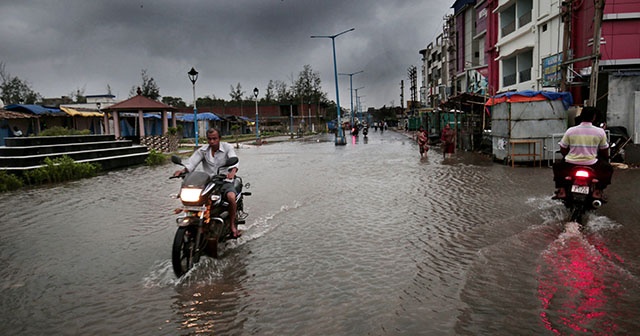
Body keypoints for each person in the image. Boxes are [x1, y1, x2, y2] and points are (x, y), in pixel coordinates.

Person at [174, 128, 242, 238]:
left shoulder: (227, 148)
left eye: (214, 139)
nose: (212, 141)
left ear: (219, 138)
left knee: (231, 197)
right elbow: (191, 164)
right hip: (208, 182)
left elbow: (234, 161)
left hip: (224, 181)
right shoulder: (203, 151)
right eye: (209, 139)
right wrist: (182, 171)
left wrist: (232, 172)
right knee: (195, 199)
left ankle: (232, 226)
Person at [552, 106, 613, 199]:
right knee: (608, 168)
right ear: (594, 117)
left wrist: (567, 155)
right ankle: (598, 191)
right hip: (592, 163)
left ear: (581, 116)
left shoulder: (571, 130)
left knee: (556, 165)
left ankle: (562, 190)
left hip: (570, 163)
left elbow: (563, 147)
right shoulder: (600, 132)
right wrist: (606, 158)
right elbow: (604, 150)